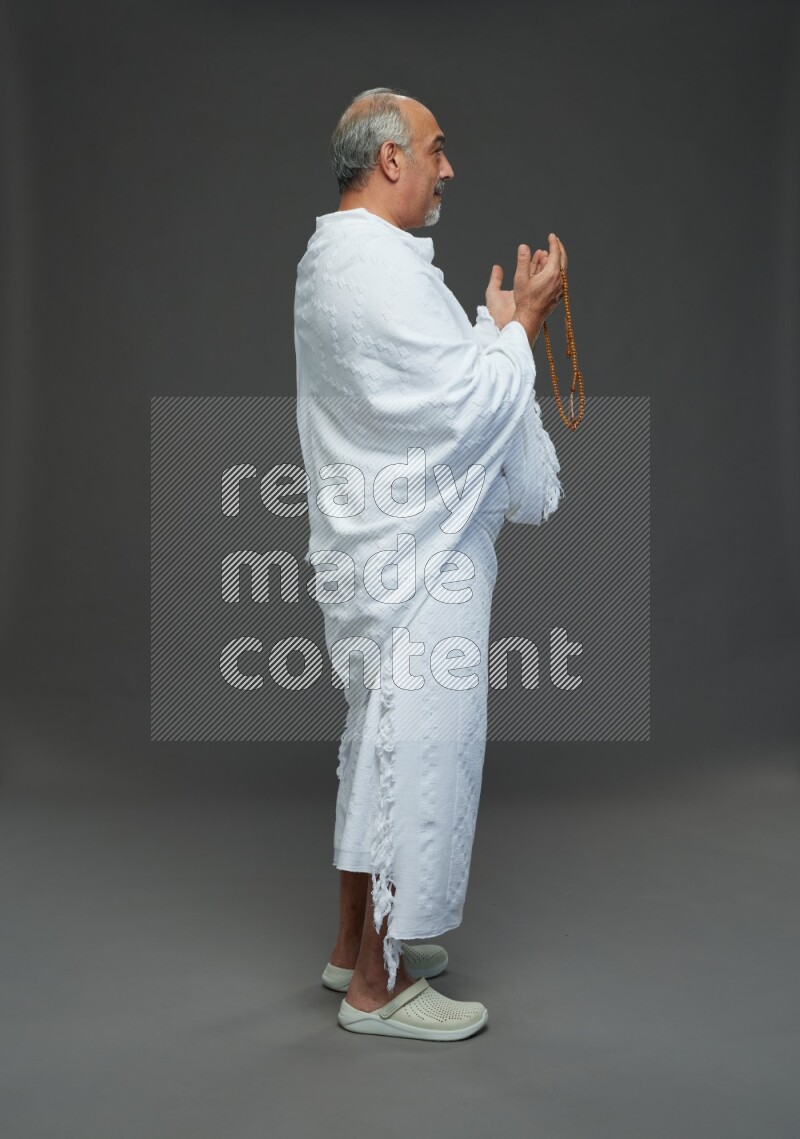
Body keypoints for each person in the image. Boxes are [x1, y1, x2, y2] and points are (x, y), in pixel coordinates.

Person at [294, 86, 566, 1041]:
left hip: (377, 555)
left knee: (380, 746)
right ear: (392, 159)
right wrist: (519, 326)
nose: (449, 168)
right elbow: (453, 411)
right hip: (419, 561)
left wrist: (489, 334)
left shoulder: (341, 257)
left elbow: (422, 390)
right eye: (437, 149)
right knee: (422, 751)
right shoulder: (371, 268)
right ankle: (380, 984)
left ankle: (347, 947)